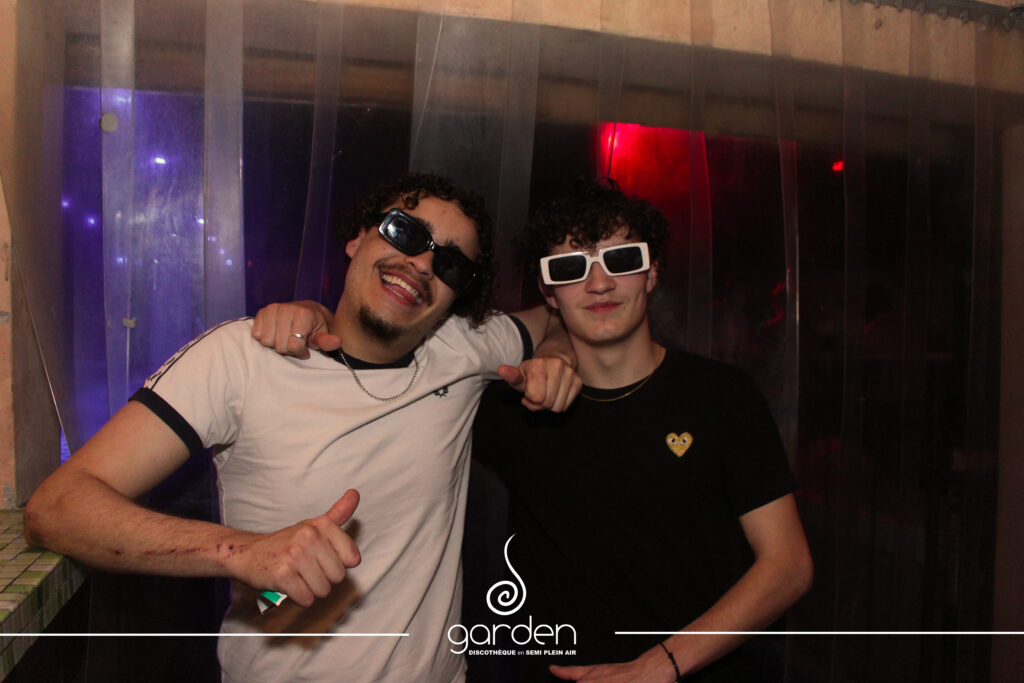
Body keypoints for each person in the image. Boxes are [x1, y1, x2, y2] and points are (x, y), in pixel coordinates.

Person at [24, 173, 579, 683]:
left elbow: (561, 314)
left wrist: (557, 352)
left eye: (452, 264)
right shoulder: (240, 359)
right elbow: (56, 509)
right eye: (405, 232)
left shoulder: (462, 348)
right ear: (357, 238)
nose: (423, 264)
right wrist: (240, 552)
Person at [467, 180, 813, 682]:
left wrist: (658, 665)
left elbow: (788, 566)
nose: (599, 283)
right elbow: (409, 368)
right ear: (548, 292)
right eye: (570, 268)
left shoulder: (721, 396)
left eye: (622, 259)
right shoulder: (514, 406)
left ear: (651, 273)